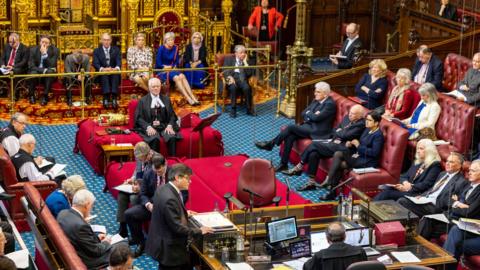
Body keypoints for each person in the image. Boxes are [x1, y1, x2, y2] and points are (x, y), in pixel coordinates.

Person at [255, 82, 336, 172]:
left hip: (317, 131)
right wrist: (311, 114)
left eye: (318, 92)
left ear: (325, 94)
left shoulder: (330, 104)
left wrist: (310, 114)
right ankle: (283, 164)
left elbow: (316, 117)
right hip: (309, 126)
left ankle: (271, 144)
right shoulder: (316, 100)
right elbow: (303, 112)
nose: (315, 93)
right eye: (315, 91)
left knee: (290, 127)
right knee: (290, 136)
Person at [145, 163, 213, 270]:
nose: (190, 181)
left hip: (161, 243)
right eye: (187, 178)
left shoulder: (163, 188)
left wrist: (184, 212)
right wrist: (200, 231)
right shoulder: (170, 199)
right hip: (170, 251)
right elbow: (177, 227)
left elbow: (166, 213)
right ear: (177, 178)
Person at [284, 105, 366, 191]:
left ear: (360, 116)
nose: (350, 115)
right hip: (335, 143)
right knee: (314, 153)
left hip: (345, 149)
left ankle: (299, 166)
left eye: (353, 114)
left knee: (314, 144)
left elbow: (345, 135)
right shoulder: (347, 118)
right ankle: (311, 182)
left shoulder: (361, 124)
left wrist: (340, 133)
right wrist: (340, 133)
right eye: (350, 112)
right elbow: (335, 130)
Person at [320, 111, 384, 200]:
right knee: (338, 156)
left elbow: (374, 153)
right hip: (358, 155)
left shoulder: (378, 136)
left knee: (339, 160)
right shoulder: (367, 129)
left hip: (367, 161)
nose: (366, 122)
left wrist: (358, 146)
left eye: (369, 120)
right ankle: (332, 189)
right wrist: (352, 143)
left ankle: (331, 186)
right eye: (366, 119)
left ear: (376, 123)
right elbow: (360, 141)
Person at [398, 152, 468, 218]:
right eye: (447, 161)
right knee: (403, 200)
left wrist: (429, 200)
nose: (447, 163)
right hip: (425, 200)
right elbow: (432, 189)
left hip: (435, 207)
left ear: (459, 166)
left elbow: (450, 200)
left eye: (451, 162)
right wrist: (422, 196)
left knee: (402, 202)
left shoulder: (461, 182)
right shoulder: (442, 174)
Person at [57, 189, 112, 269]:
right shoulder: (80, 225)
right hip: (85, 260)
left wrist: (97, 239)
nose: (91, 209)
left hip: (70, 251)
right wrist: (106, 242)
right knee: (120, 251)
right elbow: (95, 251)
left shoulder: (62, 213)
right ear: (87, 205)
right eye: (92, 206)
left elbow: (80, 239)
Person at [374, 138, 442, 201]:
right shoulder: (418, 162)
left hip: (416, 194)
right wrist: (405, 183)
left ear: (429, 150)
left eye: (421, 149)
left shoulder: (435, 165)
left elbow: (426, 184)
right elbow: (404, 176)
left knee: (387, 194)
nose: (418, 151)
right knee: (386, 188)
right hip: (407, 189)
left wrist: (408, 188)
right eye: (417, 148)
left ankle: (369, 209)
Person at [125, 154, 167, 257]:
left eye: (160, 171)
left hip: (166, 208)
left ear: (165, 165)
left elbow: (181, 194)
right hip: (151, 207)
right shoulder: (148, 173)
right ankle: (140, 242)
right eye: (156, 171)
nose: (158, 173)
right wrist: (148, 204)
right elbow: (143, 194)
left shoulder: (172, 174)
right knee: (129, 214)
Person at [442, 160, 480, 270]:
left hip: (475, 229)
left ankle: (442, 265)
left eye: (473, 170)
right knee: (456, 238)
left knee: (455, 232)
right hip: (472, 227)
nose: (469, 173)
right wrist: (458, 204)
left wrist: (458, 204)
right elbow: (452, 201)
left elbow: (469, 211)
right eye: (469, 170)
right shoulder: (469, 186)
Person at [117, 141, 159, 238]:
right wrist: (131, 180)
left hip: (150, 190)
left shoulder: (156, 161)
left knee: (134, 198)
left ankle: (137, 230)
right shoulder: (141, 156)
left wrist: (140, 188)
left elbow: (155, 183)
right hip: (139, 184)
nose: (138, 160)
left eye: (140, 158)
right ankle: (122, 226)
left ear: (147, 155)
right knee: (122, 195)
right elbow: (137, 171)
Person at [134, 77, 181, 156]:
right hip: (150, 126)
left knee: (171, 137)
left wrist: (169, 125)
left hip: (164, 126)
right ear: (149, 88)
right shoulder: (143, 101)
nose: (156, 88)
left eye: (158, 86)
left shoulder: (166, 99)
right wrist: (148, 127)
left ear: (160, 87)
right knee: (154, 138)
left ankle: (173, 160)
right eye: (153, 87)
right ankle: (155, 163)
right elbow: (139, 118)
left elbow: (172, 115)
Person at [155, 32, 200, 106]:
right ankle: (188, 98)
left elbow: (176, 61)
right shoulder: (161, 48)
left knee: (182, 76)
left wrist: (173, 66)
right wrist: (165, 67)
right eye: (168, 40)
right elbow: (158, 63)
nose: (171, 41)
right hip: (162, 70)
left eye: (172, 40)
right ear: (165, 41)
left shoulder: (175, 48)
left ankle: (192, 97)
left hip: (172, 69)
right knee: (177, 77)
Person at [303, 222, 367, 270]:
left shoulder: (320, 256)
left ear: (327, 238)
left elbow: (306, 268)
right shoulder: (360, 251)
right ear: (345, 236)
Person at [222, 44, 256, 118]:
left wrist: (246, 63)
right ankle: (233, 109)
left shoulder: (246, 61)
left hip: (242, 80)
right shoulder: (229, 59)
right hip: (231, 78)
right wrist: (229, 77)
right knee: (233, 88)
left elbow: (249, 74)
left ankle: (249, 108)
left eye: (244, 52)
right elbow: (224, 70)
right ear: (236, 53)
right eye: (241, 52)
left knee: (247, 88)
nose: (243, 54)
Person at [28, 35, 59, 105]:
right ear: (40, 42)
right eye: (42, 42)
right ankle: (31, 95)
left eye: (46, 43)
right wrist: (43, 70)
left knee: (50, 72)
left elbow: (52, 65)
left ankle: (45, 96)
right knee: (33, 73)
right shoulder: (33, 50)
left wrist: (45, 54)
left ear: (50, 44)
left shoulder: (55, 50)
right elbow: (31, 66)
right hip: (37, 71)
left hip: (48, 74)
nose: (44, 44)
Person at [93, 33, 122, 109]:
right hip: (102, 74)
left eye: (108, 40)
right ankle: (106, 97)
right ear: (101, 41)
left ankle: (114, 97)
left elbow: (119, 61)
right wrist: (103, 69)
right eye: (104, 40)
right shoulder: (96, 51)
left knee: (115, 73)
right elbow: (95, 63)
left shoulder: (116, 50)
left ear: (111, 41)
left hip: (113, 71)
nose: (106, 42)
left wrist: (116, 68)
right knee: (104, 73)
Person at [0, 33, 29, 99]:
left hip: (18, 68)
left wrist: (13, 67)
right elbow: (2, 58)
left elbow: (24, 62)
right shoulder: (7, 46)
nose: (11, 44)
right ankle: (2, 91)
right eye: (10, 42)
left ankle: (15, 93)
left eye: (13, 42)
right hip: (6, 67)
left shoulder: (25, 49)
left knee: (15, 71)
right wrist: (3, 65)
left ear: (18, 40)